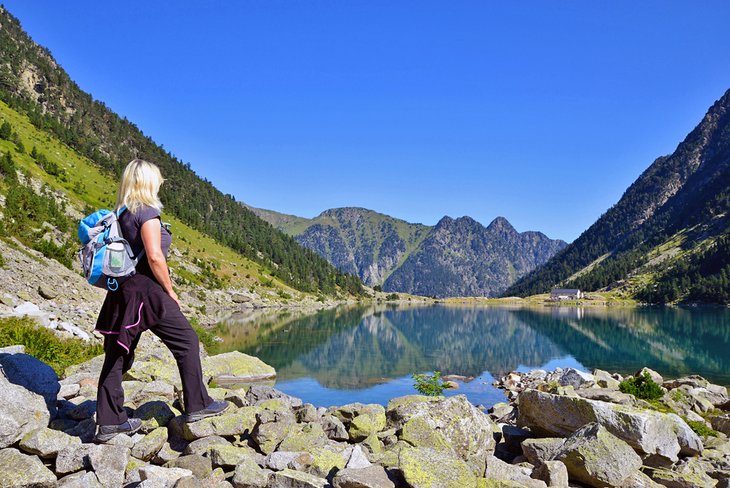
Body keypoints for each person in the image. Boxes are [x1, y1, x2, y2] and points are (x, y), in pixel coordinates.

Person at [93, 159, 228, 443]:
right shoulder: (147, 212)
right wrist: (170, 290)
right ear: (147, 182)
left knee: (117, 355)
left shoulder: (121, 213)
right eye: (157, 179)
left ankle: (109, 421)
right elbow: (154, 256)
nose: (160, 184)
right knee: (187, 340)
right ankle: (198, 405)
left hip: (121, 291)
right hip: (147, 291)